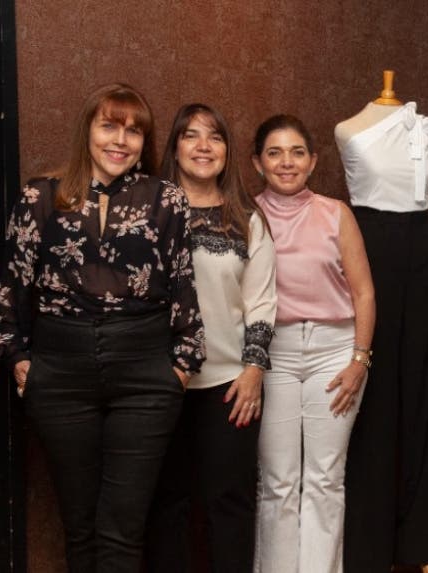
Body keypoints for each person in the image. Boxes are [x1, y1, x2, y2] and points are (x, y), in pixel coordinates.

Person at [0, 82, 204, 572]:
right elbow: (8, 292)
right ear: (87, 129)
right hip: (60, 375)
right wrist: (19, 360)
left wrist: (180, 368)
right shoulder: (40, 196)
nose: (120, 141)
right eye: (109, 126)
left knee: (123, 529)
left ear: (144, 141)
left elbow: (183, 289)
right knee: (80, 527)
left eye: (133, 131)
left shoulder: (166, 199)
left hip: (145, 375)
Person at [335, 72, 428, 573]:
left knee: (423, 391)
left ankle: (421, 543)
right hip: (369, 245)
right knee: (373, 395)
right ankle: (369, 545)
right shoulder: (348, 129)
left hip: (421, 250)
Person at [144, 103, 276, 572]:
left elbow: (261, 302)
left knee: (230, 503)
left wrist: (253, 370)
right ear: (174, 147)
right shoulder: (147, 212)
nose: (203, 146)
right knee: (165, 504)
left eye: (215, 137)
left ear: (227, 150)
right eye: (191, 135)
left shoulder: (247, 218)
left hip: (229, 387)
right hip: (159, 383)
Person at [252, 114, 376, 572]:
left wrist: (359, 359)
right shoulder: (246, 214)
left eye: (297, 152)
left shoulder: (335, 213)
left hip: (335, 351)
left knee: (325, 478)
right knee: (278, 482)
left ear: (313, 161)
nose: (287, 162)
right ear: (258, 163)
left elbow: (364, 293)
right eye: (275, 153)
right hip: (273, 354)